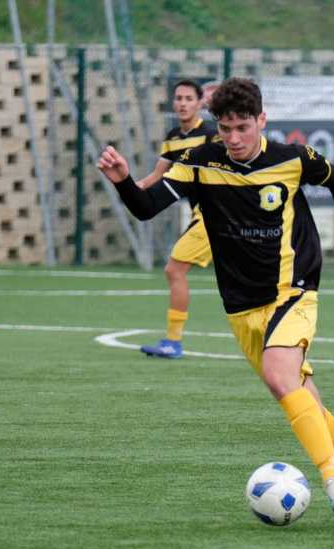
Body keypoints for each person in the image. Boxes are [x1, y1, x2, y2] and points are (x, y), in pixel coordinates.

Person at [98, 77, 334, 519]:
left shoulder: (292, 158)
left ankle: (332, 477)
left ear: (262, 121)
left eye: (243, 127)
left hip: (292, 287)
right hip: (240, 304)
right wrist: (124, 181)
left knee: (282, 378)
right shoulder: (200, 162)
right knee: (302, 396)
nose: (235, 138)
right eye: (226, 129)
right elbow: (146, 209)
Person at [136, 79, 218, 359]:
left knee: (174, 270)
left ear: (199, 103)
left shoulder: (211, 134)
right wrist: (127, 185)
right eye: (178, 98)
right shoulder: (172, 137)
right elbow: (155, 177)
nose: (182, 103)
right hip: (203, 214)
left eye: (188, 98)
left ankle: (173, 342)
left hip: (216, 212)